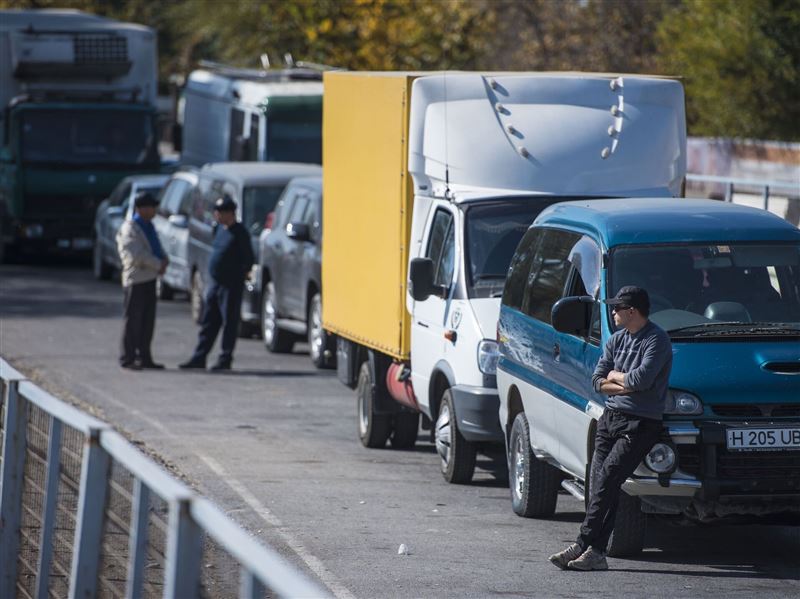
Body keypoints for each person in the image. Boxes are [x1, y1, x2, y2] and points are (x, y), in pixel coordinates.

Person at [549, 286, 672, 571]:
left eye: (617, 308)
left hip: (640, 423)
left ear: (632, 311)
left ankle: (581, 544)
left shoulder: (657, 340)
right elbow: (596, 380)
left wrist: (615, 377)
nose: (613, 312)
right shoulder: (616, 341)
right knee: (600, 485)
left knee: (607, 480)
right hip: (610, 418)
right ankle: (597, 553)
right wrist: (621, 381)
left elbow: (641, 380)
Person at [179, 196, 254, 371]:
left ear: (229, 213)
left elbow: (248, 259)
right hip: (216, 284)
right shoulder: (219, 230)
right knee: (209, 321)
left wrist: (237, 275)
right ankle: (199, 357)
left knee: (229, 322)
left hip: (231, 286)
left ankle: (225, 358)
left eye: (219, 212)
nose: (216, 215)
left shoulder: (240, 233)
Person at [116, 191, 169, 370]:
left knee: (147, 321)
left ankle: (144, 356)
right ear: (141, 208)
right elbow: (137, 255)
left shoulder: (149, 226)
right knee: (133, 320)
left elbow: (156, 246)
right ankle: (128, 357)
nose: (154, 210)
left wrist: (164, 259)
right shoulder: (131, 228)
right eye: (151, 207)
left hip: (150, 278)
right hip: (136, 279)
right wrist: (158, 264)